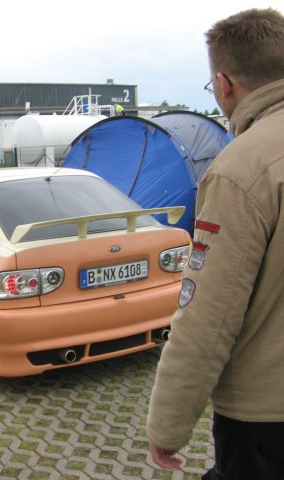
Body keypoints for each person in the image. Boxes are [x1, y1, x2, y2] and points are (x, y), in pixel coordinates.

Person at [146, 8, 284, 479]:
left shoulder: (241, 168)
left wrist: (168, 424)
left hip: (266, 419)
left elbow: (209, 314)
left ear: (224, 84)